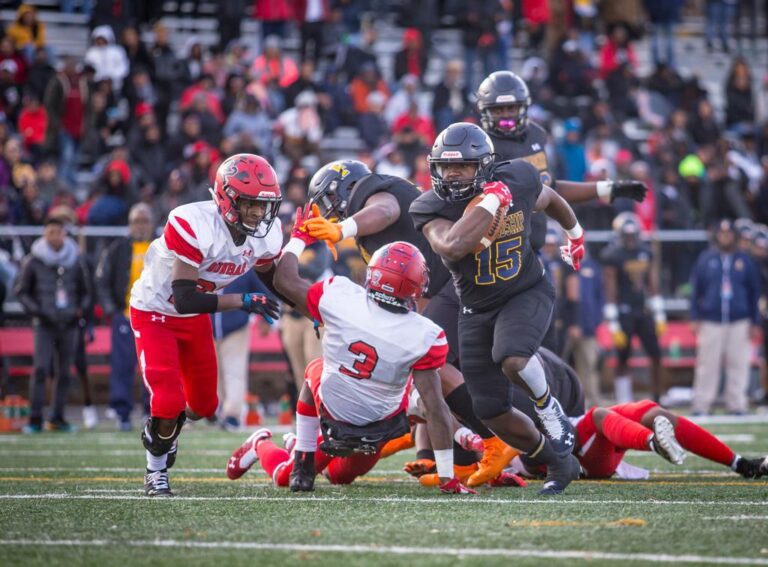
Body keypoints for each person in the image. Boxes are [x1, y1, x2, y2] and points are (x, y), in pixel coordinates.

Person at [303, 159, 516, 487]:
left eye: (328, 203)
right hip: (456, 282)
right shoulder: (377, 209)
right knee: (428, 366)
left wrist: (342, 230)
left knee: (429, 361)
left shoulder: (374, 192)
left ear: (343, 187)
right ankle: (460, 456)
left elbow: (385, 210)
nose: (329, 215)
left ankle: (494, 438)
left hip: (458, 283)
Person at [410, 122, 585, 495]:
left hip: (525, 291)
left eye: (464, 166)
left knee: (513, 358)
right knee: (490, 411)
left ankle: (548, 407)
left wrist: (575, 233)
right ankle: (559, 463)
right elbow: (454, 245)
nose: (453, 174)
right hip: (475, 308)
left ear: (485, 165)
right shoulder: (429, 206)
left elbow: (549, 198)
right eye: (446, 166)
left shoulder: (518, 176)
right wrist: (491, 202)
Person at [228, 233, 474, 495]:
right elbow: (434, 406)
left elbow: (284, 280)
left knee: (317, 376)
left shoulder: (341, 296)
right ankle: (273, 448)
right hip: (381, 421)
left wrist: (299, 237)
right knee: (286, 476)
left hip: (343, 411)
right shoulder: (425, 334)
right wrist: (448, 477)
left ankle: (299, 447)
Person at [129, 154, 284, 497]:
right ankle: (156, 471)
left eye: (264, 205)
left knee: (203, 406)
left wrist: (311, 303)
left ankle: (162, 429)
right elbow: (184, 298)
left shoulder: (265, 235)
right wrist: (242, 302)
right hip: (156, 312)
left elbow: (276, 279)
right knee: (168, 400)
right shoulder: (192, 221)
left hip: (193, 318)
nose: (259, 213)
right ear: (228, 199)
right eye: (251, 204)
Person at [475, 71, 647, 251]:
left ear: (524, 107)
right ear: (484, 110)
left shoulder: (535, 134)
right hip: (497, 249)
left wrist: (608, 188)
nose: (506, 117)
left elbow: (550, 188)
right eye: (498, 110)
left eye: (512, 108)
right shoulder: (479, 145)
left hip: (531, 248)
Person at [513, 400, 767, 480]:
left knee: (654, 414)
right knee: (599, 415)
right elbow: (534, 457)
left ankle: (741, 464)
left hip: (584, 436)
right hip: (577, 456)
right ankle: (654, 443)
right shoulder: (506, 443)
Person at [14, 217, 91, 433]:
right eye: (51, 232)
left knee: (64, 372)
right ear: (44, 234)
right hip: (44, 323)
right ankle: (35, 418)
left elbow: (85, 292)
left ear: (64, 235)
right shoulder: (34, 260)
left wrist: (79, 309)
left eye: (58, 232)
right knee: (40, 369)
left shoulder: (75, 260)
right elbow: (22, 291)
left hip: (69, 323)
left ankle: (57, 418)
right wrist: (38, 311)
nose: (55, 237)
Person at [690, 219, 762, 416]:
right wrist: (695, 316)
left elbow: (755, 292)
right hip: (711, 319)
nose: (725, 237)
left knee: (738, 363)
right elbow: (696, 290)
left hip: (739, 319)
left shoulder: (745, 260)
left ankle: (736, 403)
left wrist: (755, 321)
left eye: (728, 234)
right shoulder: (706, 258)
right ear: (717, 236)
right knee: (707, 364)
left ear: (734, 236)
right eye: (722, 234)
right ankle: (702, 404)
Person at [95, 203, 155, 431]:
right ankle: (122, 413)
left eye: (144, 221)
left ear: (151, 224)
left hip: (153, 317)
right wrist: (112, 310)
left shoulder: (161, 247)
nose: (140, 226)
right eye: (136, 222)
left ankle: (152, 411)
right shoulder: (118, 248)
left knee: (153, 367)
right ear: (129, 225)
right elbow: (102, 280)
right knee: (122, 365)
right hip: (126, 316)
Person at [600, 212, 666, 403]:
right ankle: (623, 399)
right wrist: (613, 321)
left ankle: (658, 396)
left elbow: (652, 282)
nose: (630, 239)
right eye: (626, 235)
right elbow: (610, 286)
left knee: (656, 354)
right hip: (624, 311)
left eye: (632, 235)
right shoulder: (613, 255)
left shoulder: (645, 252)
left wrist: (659, 312)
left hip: (643, 310)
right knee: (623, 357)